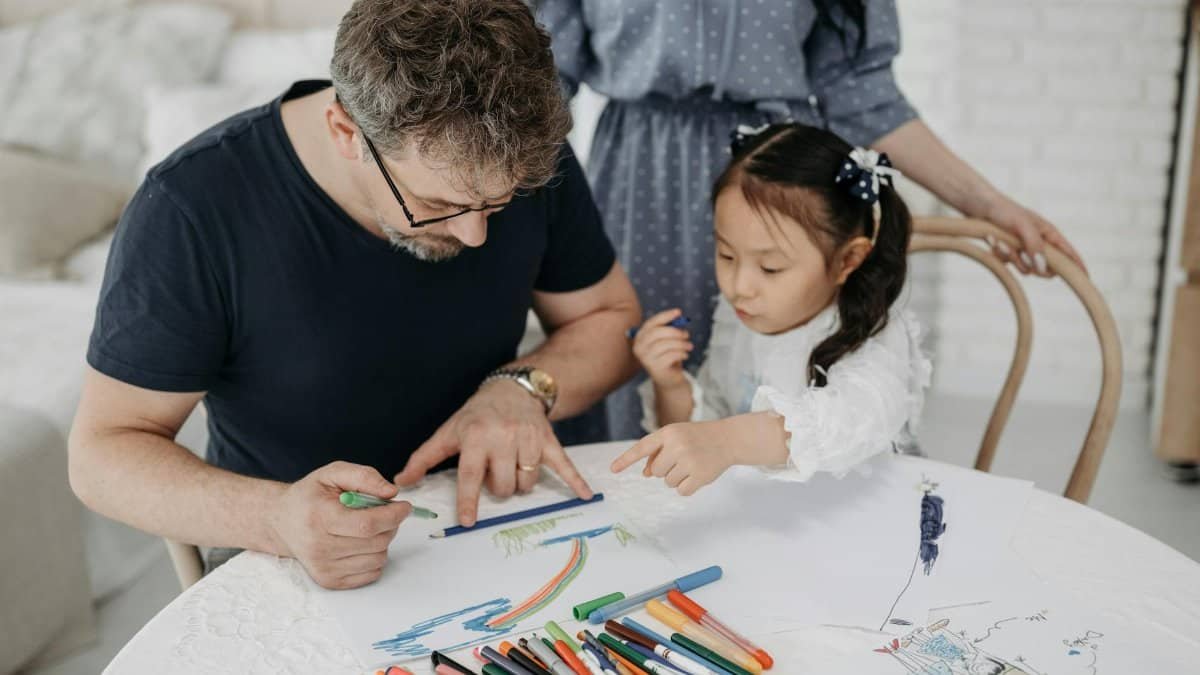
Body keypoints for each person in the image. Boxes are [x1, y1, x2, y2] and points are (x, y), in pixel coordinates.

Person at [68, 0, 641, 589]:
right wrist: (276, 518)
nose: (475, 235)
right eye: (438, 205)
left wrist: (521, 390)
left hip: (497, 520)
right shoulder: (192, 208)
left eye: (498, 204)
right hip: (295, 555)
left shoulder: (517, 153)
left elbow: (613, 320)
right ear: (347, 132)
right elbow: (102, 455)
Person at [536, 0, 1085, 442]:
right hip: (642, 185)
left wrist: (988, 204)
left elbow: (863, 93)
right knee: (651, 366)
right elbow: (540, 79)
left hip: (785, 182)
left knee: (808, 374)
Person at [612, 123, 930, 495]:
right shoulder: (741, 316)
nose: (739, 287)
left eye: (770, 268)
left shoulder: (873, 333)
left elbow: (851, 420)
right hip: (767, 510)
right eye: (726, 255)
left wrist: (727, 440)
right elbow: (708, 429)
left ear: (847, 260)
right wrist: (671, 386)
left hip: (865, 510)